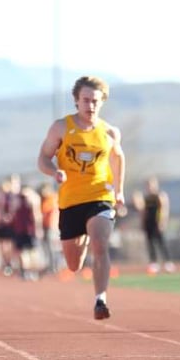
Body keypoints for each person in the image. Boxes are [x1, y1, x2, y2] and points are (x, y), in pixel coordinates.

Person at [37, 75, 124, 320]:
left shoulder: (109, 132)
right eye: (86, 100)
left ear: (102, 102)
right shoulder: (61, 127)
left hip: (100, 195)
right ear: (76, 101)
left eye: (95, 101)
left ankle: (100, 299)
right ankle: (84, 236)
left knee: (100, 243)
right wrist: (54, 171)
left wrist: (119, 191)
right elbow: (42, 158)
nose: (91, 106)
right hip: (70, 200)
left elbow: (118, 158)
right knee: (74, 265)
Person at [133, 176, 175, 273]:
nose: (150, 187)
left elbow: (164, 209)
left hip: (157, 222)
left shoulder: (160, 196)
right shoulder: (145, 198)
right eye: (148, 185)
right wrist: (142, 222)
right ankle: (153, 263)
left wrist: (162, 222)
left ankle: (168, 262)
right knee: (150, 243)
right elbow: (142, 211)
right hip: (148, 222)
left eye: (151, 185)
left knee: (161, 242)